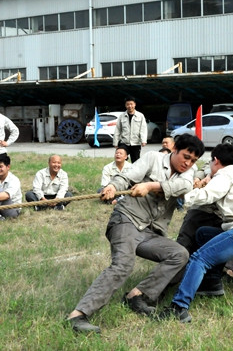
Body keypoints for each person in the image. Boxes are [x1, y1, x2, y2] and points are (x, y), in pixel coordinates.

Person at [67, 133, 205, 334]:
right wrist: (113, 186)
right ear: (174, 150)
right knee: (123, 265)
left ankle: (137, 296)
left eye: (193, 160)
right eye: (186, 156)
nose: (188, 163)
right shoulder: (153, 158)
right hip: (126, 220)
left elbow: (181, 186)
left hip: (151, 232)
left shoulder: (187, 175)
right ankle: (78, 315)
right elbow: (127, 176)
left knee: (180, 255)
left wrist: (149, 186)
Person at [158, 144, 233, 323]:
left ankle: (179, 307)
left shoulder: (226, 174)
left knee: (199, 258)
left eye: (211, 162)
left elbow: (208, 195)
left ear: (216, 161)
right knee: (203, 234)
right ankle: (212, 284)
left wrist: (180, 197)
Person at [176, 134, 233, 254]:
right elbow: (206, 168)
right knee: (187, 237)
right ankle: (177, 263)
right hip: (205, 208)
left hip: (228, 217)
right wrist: (205, 176)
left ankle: (229, 270)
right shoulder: (223, 157)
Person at [113, 97, 148, 163]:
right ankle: (122, 172)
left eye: (131, 104)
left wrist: (143, 140)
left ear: (135, 104)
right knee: (121, 158)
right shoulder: (121, 116)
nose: (130, 106)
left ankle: (136, 173)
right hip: (124, 142)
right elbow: (118, 129)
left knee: (136, 161)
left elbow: (143, 129)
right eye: (128, 104)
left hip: (135, 142)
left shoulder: (140, 115)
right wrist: (115, 142)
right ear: (125, 105)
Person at [0, 155, 22, 219]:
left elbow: (6, 196)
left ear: (8, 167)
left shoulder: (14, 180)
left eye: (0, 167)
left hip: (12, 209)